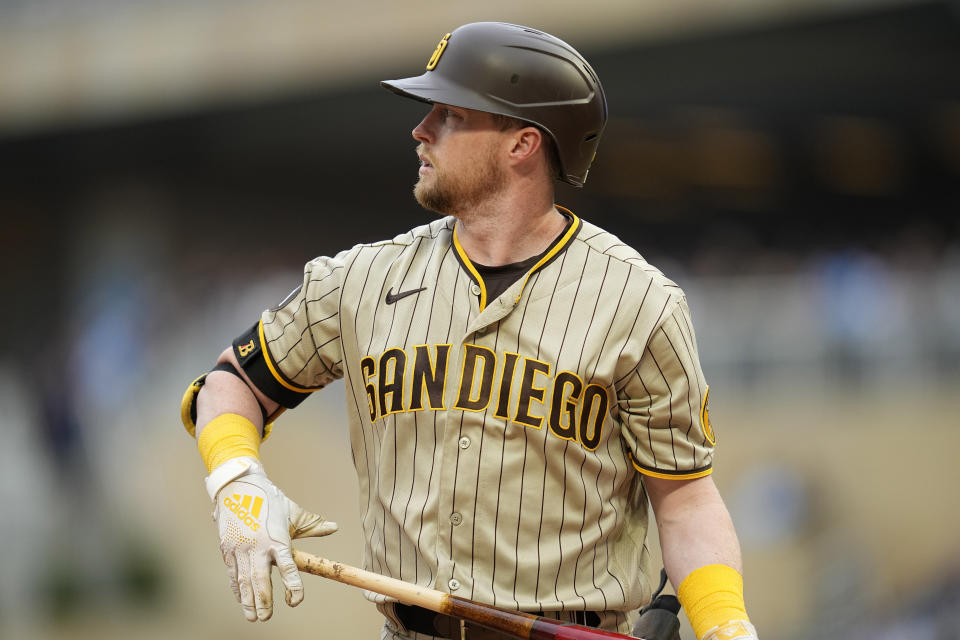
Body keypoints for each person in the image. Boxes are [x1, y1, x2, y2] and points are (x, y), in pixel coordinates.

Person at [181, 22, 758, 640]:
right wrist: (237, 481)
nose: (420, 129)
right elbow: (230, 382)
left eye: (450, 114)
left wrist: (726, 625)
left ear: (522, 144)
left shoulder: (638, 302)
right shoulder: (360, 279)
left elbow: (686, 500)